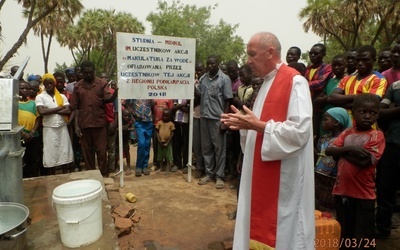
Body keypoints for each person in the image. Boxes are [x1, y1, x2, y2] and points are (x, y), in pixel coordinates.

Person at [221, 32, 315, 249]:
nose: (248, 61)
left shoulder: (295, 82)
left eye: (252, 54)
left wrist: (258, 126)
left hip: (284, 179)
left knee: (284, 232)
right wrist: (246, 125)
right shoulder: (265, 82)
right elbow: (261, 124)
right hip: (259, 171)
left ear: (270, 52)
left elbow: (300, 131)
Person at [326, 93, 385, 249]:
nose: (368, 116)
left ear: (377, 115)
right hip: (342, 191)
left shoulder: (376, 136)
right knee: (345, 233)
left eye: (373, 113)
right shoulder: (347, 133)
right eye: (362, 112)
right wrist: (350, 149)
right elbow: (329, 150)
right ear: (354, 111)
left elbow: (364, 162)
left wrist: (341, 153)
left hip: (363, 195)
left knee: (362, 236)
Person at [70, 61, 118, 177]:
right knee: (87, 153)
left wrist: (115, 92)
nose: (89, 75)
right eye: (86, 73)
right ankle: (92, 175)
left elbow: (108, 99)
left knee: (101, 151)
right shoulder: (77, 87)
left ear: (94, 71)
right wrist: (76, 126)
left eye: (91, 72)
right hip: (84, 124)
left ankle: (103, 174)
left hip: (99, 124)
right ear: (82, 73)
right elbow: (75, 107)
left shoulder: (102, 84)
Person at [196, 54, 232, 189]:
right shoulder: (203, 78)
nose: (210, 66)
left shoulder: (224, 79)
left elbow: (228, 99)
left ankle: (219, 176)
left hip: (217, 118)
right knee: (206, 148)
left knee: (219, 148)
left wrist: (224, 120)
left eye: (213, 63)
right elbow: (199, 93)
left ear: (218, 63)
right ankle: (208, 173)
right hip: (204, 117)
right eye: (208, 64)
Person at [328, 45, 387, 122]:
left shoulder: (379, 79)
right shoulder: (347, 78)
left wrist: (342, 103)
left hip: (364, 125)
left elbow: (369, 104)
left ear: (374, 60)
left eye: (365, 60)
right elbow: (332, 98)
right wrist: (358, 96)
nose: (360, 63)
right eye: (357, 60)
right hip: (344, 123)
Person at [375, 78, 400, 238]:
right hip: (392, 143)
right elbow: (380, 111)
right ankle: (383, 229)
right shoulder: (396, 86)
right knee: (386, 188)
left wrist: (394, 110)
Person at [314, 107, 352, 212]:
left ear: (336, 122)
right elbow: (320, 156)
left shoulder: (344, 140)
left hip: (333, 179)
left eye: (325, 119)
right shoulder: (323, 138)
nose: (322, 122)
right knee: (319, 205)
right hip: (319, 177)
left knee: (331, 207)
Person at [35, 74, 74, 175]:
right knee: (50, 153)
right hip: (49, 128)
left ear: (54, 83)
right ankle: (52, 177)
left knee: (64, 152)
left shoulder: (61, 96)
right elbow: (42, 112)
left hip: (62, 127)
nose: (49, 85)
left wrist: (50, 110)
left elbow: (68, 110)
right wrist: (59, 108)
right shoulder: (40, 97)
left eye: (51, 83)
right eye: (46, 83)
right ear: (43, 84)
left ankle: (66, 175)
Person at [305, 43, 333, 138]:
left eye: (316, 53)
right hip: (307, 105)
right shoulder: (308, 69)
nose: (312, 56)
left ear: (323, 54)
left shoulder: (327, 68)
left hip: (319, 107)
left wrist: (303, 85)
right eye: (311, 53)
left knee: (317, 133)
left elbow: (320, 84)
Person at [18, 81, 41, 178]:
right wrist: (23, 134)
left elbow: (38, 119)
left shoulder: (33, 103)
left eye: (27, 88)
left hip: (33, 136)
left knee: (34, 158)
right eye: (22, 88)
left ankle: (34, 177)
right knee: (22, 159)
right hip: (20, 136)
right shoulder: (14, 104)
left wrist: (32, 132)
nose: (25, 90)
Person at [193, 61, 206, 178]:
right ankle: (199, 167)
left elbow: (200, 97)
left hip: (207, 117)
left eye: (201, 69)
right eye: (197, 70)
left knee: (206, 145)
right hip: (196, 116)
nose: (199, 72)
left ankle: (207, 169)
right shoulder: (195, 83)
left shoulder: (206, 81)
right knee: (196, 144)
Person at [155, 108, 175, 174]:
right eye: (164, 115)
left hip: (168, 143)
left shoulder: (171, 124)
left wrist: (167, 142)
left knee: (168, 156)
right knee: (160, 155)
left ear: (170, 117)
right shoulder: (159, 123)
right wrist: (158, 140)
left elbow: (172, 134)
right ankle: (160, 168)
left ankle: (167, 168)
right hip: (160, 142)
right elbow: (157, 132)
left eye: (167, 116)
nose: (165, 117)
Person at [120, 109, 134, 175]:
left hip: (125, 138)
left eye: (128, 116)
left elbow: (132, 121)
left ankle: (128, 167)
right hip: (118, 137)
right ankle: (117, 166)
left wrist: (128, 125)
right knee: (117, 151)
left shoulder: (130, 121)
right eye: (125, 116)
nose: (127, 117)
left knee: (126, 150)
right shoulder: (119, 120)